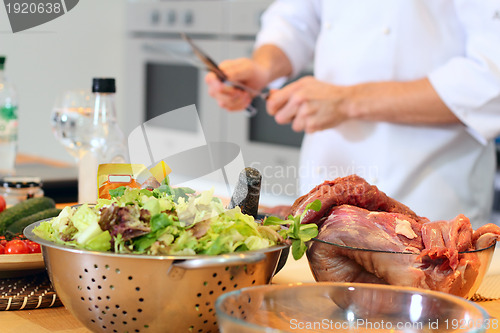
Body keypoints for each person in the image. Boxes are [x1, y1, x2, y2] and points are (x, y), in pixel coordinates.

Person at [205, 0, 500, 228]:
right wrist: (262, 67)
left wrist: (347, 101)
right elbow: (294, 19)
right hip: (324, 190)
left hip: (428, 199)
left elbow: (492, 79)